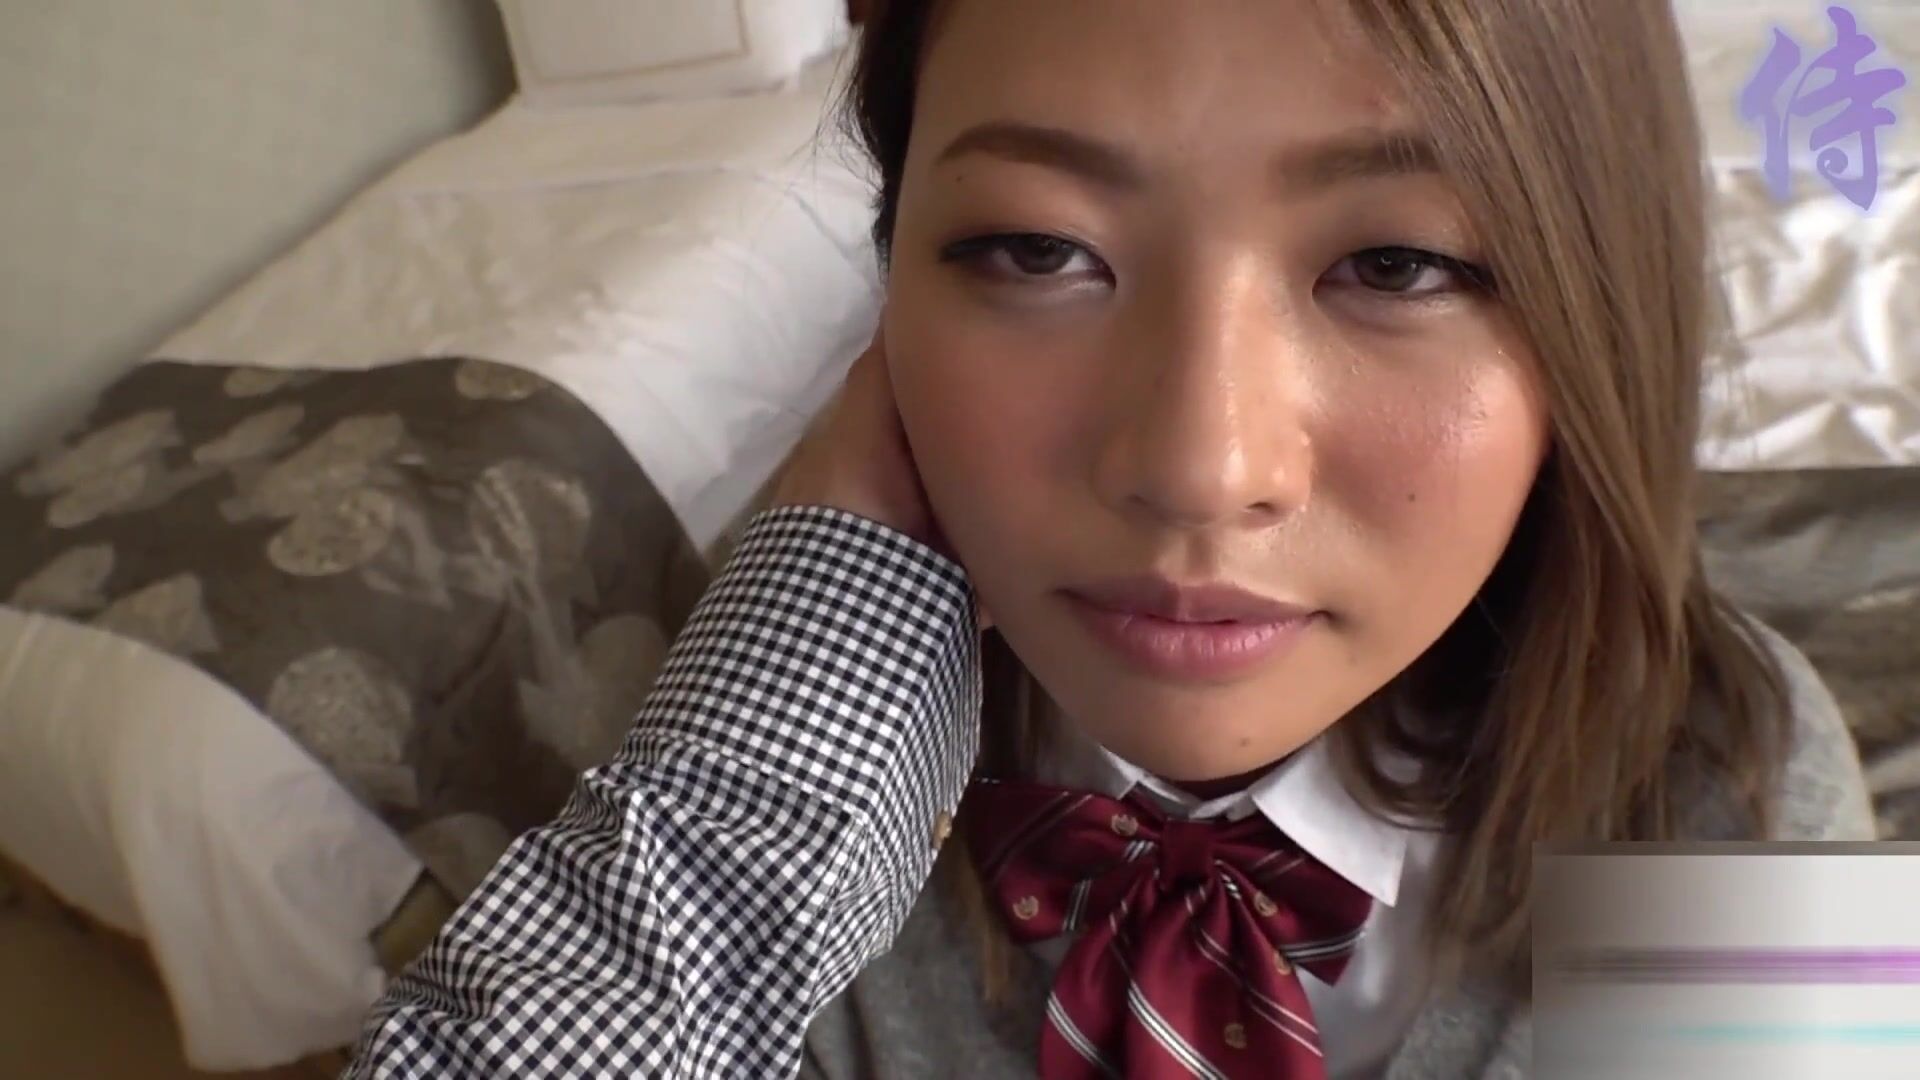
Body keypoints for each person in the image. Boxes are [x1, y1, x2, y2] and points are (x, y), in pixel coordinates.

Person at [344, 0, 1876, 1076]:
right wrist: (745, 830)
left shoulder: (1728, 776)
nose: (1201, 469)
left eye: (1397, 265)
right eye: (1036, 248)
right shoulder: (728, 790)